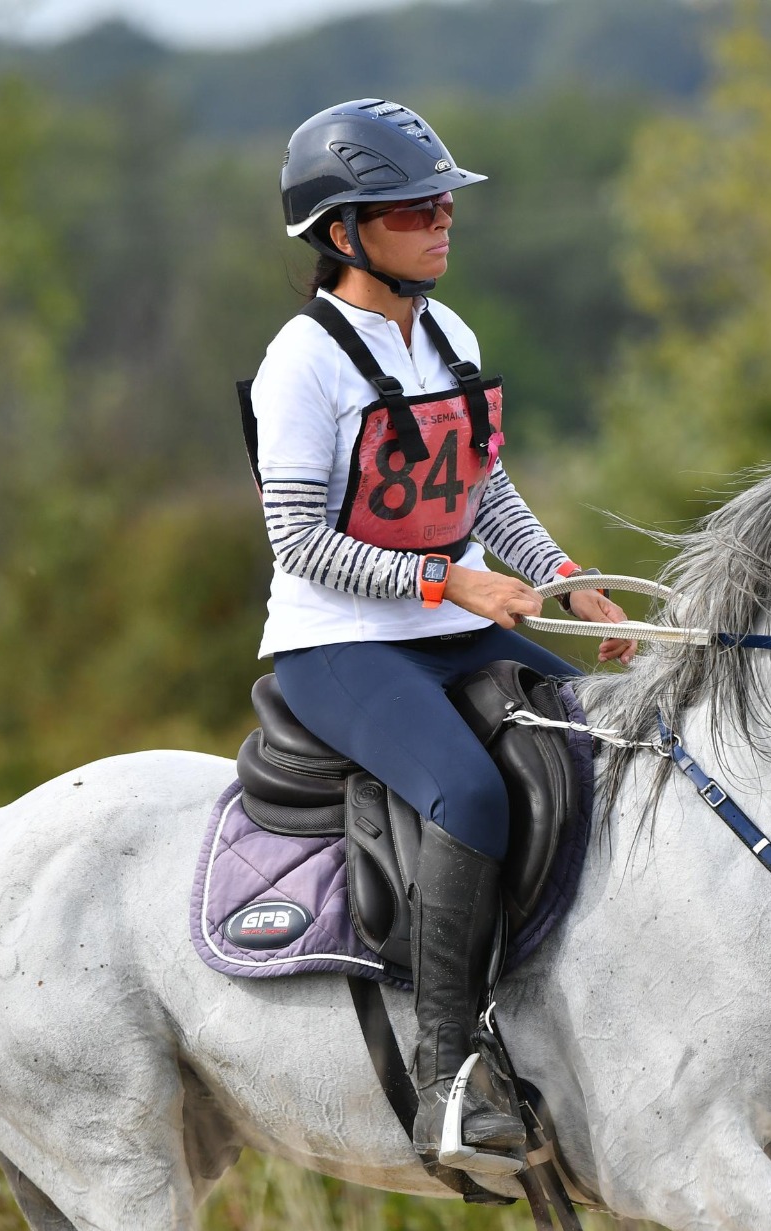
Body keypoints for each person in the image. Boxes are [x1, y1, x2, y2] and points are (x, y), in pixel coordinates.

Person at [241, 98, 635, 1170]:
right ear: (344, 233)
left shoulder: (449, 333)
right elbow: (298, 542)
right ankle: (450, 1072)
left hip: (449, 619)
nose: (444, 216)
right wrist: (450, 579)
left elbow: (485, 489)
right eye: (415, 206)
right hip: (340, 645)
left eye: (444, 199)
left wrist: (562, 576)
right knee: (466, 794)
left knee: (609, 736)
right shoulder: (301, 363)